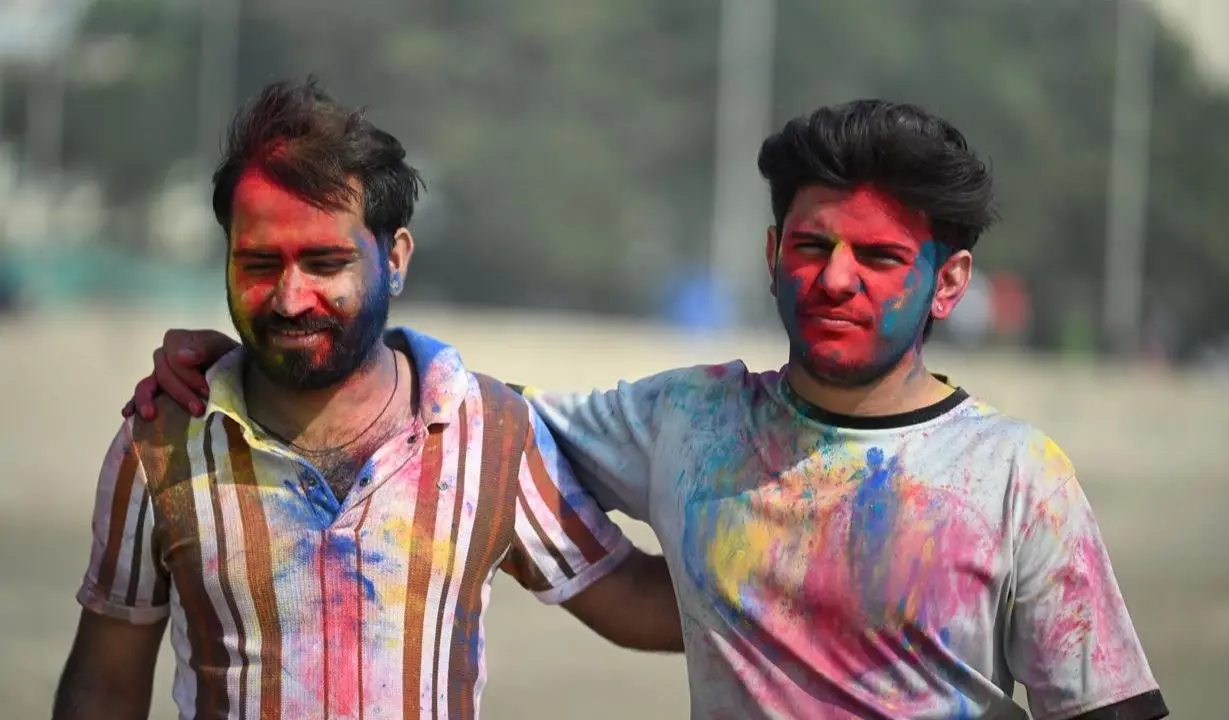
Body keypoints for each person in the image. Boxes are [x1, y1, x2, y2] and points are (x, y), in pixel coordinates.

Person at [126, 100, 1168, 720]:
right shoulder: (685, 423)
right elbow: (450, 414)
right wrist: (258, 349)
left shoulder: (1017, 477)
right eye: (810, 247)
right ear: (772, 257)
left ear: (947, 283)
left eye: (881, 258)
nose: (835, 278)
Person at [54, 78, 681, 720]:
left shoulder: (490, 435)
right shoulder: (162, 445)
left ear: (396, 258)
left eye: (325, 263)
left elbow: (631, 598)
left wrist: (782, 563)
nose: (290, 297)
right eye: (259, 263)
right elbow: (105, 686)